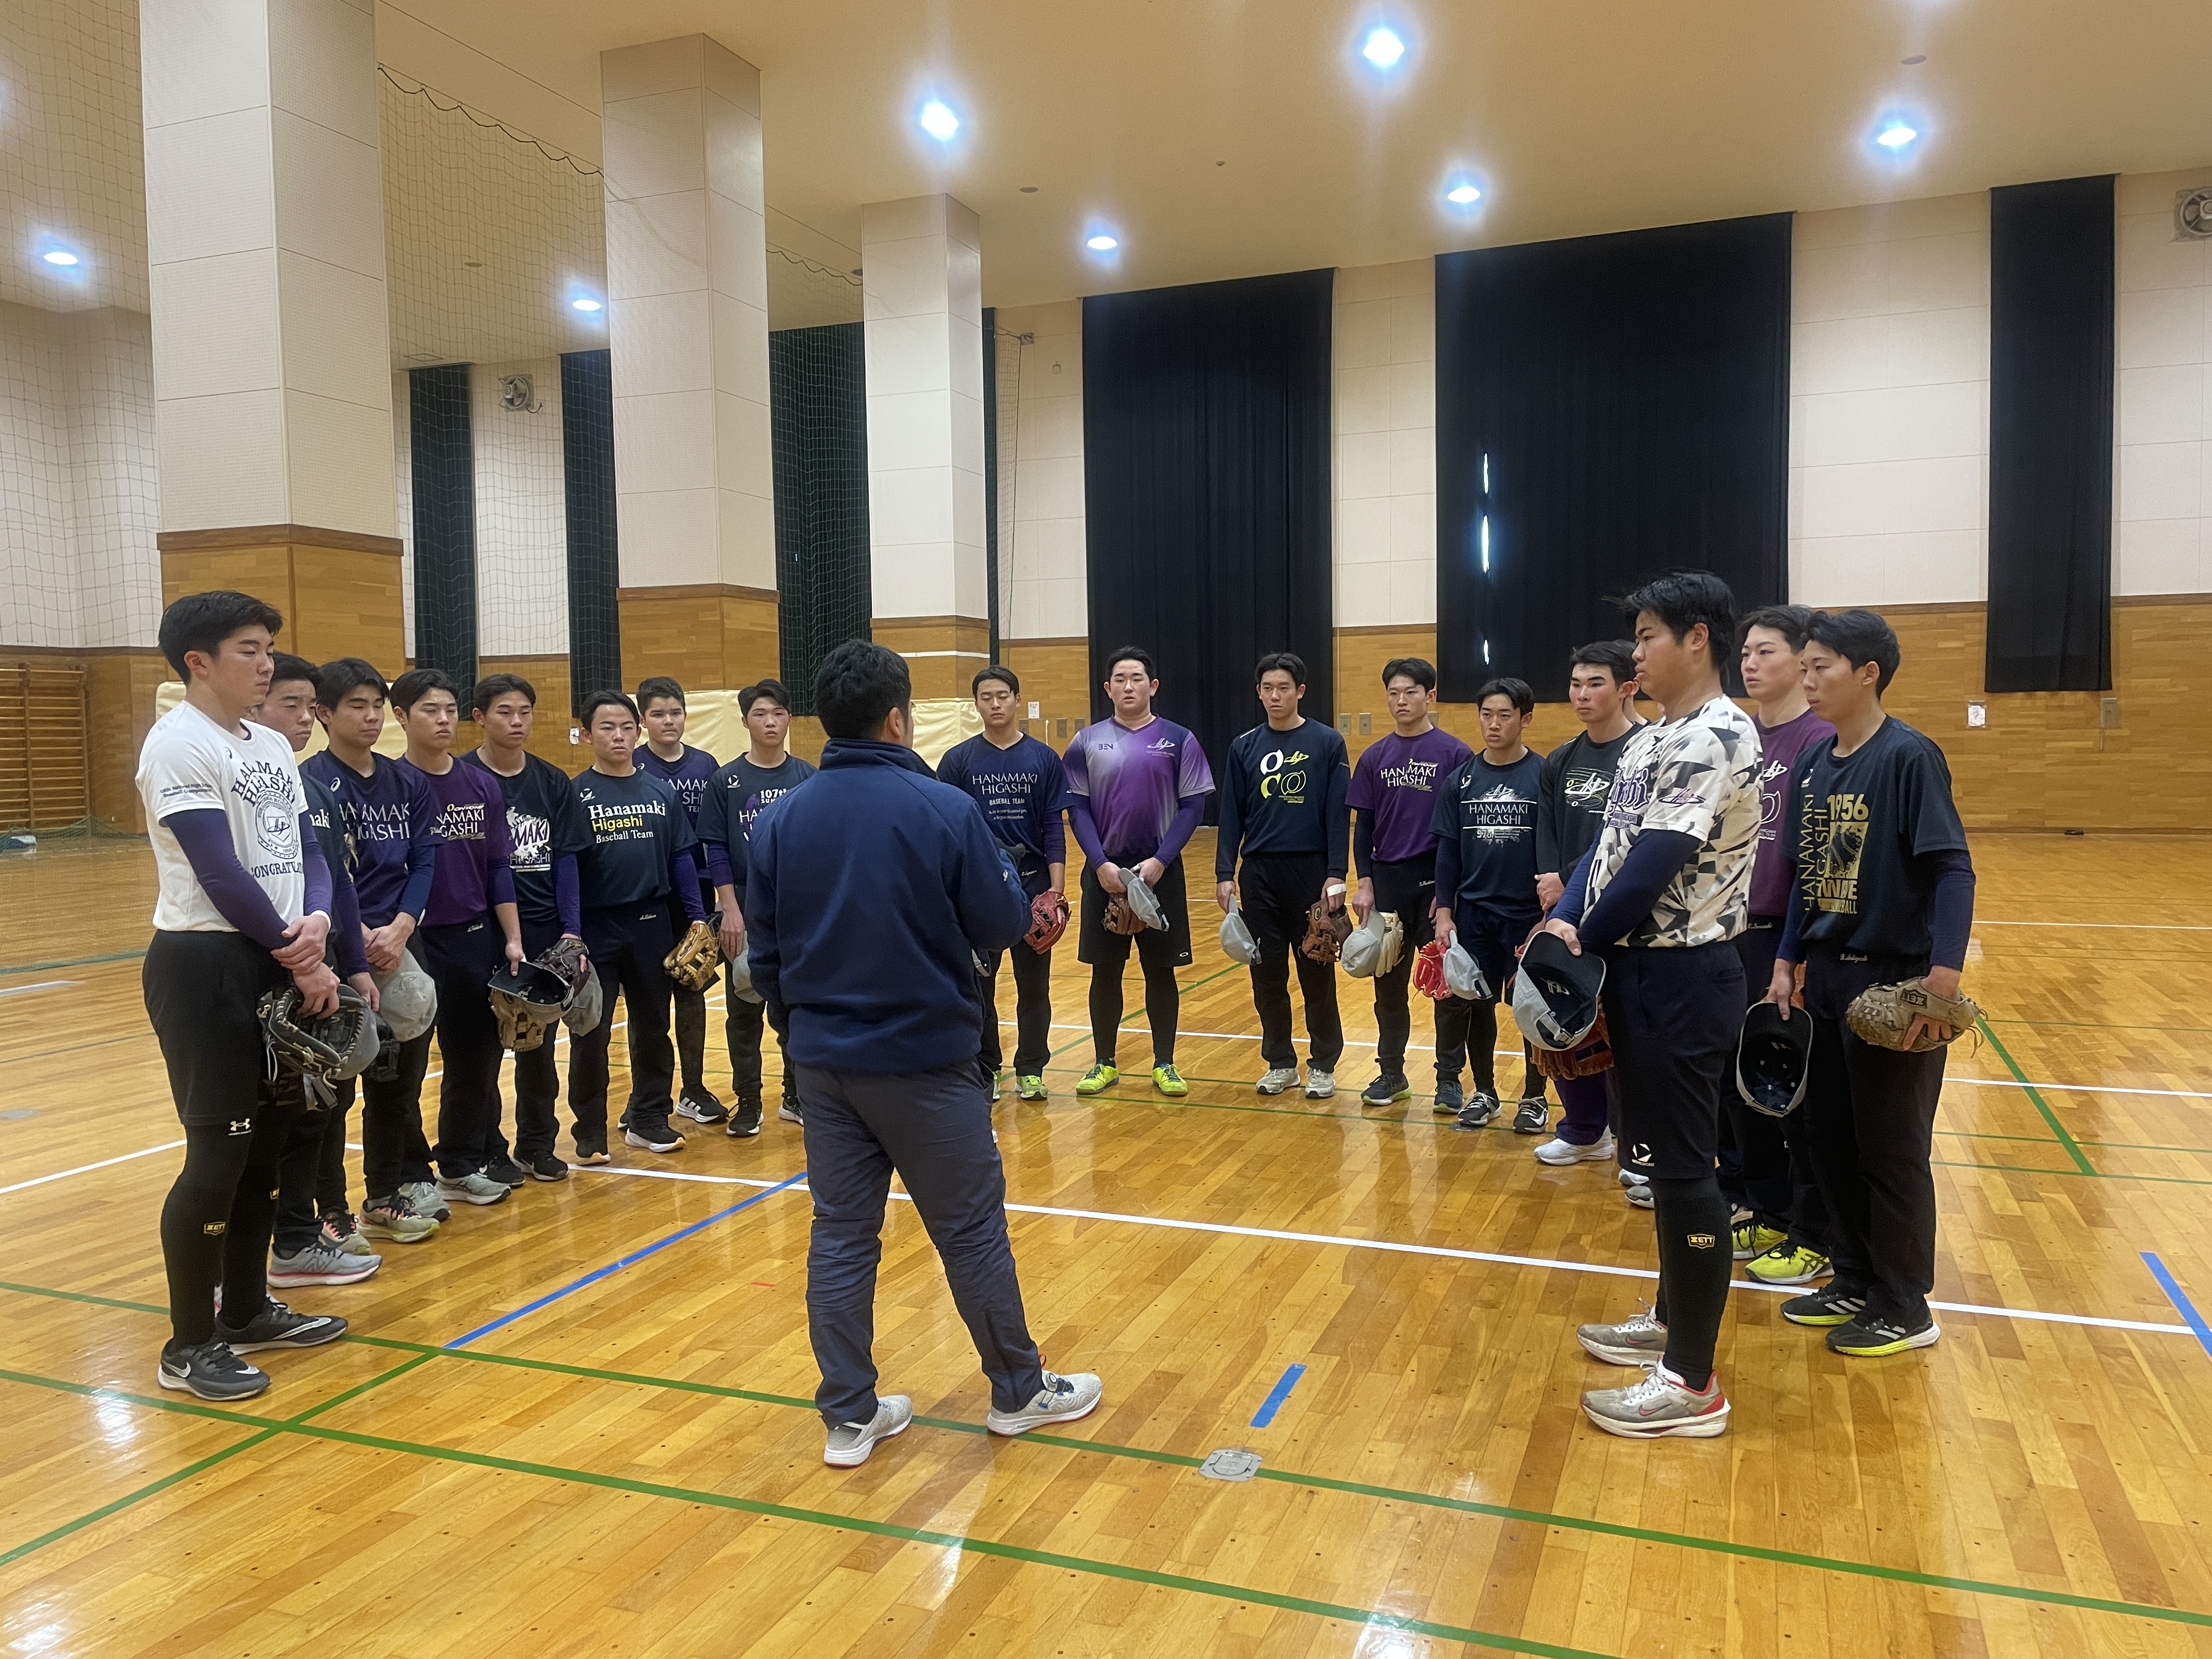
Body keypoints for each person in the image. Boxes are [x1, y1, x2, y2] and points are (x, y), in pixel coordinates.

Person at [748, 640, 1102, 1466]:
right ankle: (1017, 1390)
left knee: (840, 1235)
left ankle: (849, 1416)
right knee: (972, 1231)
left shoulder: (782, 818)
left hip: (824, 1066)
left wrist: (799, 1041)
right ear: (898, 716)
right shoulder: (943, 808)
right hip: (923, 1065)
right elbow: (999, 923)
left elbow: (763, 956)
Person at [1546, 571, 1762, 1440]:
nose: (1635, 654)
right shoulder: (1648, 742)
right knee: (1658, 1166)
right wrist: (1561, 924)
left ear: (1697, 638)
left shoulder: (1717, 732)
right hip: (1636, 975)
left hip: (1685, 977)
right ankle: (1673, 1321)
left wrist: (1584, 941)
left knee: (1682, 1172)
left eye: (1647, 638)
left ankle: (1692, 1384)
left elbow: (1658, 860)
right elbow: (1608, 847)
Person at [138, 591, 349, 1401]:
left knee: (269, 1145)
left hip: (280, 952)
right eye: (250, 651)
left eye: (269, 650)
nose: (267, 665)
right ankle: (190, 1343)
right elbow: (217, 869)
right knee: (218, 1153)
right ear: (199, 662)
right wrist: (297, 956)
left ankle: (250, 1309)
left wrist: (319, 920)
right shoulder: (178, 745)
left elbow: (306, 847)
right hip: (208, 968)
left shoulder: (266, 742)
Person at [1765, 609, 1976, 1357]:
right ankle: (1852, 1276)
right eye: (1807, 665)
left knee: (1889, 1150)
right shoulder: (1818, 764)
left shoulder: (1909, 757)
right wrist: (1787, 960)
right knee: (1827, 1139)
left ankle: (1905, 1305)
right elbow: (1805, 878)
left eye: (1821, 666)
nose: (1808, 678)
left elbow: (1952, 867)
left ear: (1867, 674)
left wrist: (1943, 975)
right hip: (1823, 981)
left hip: (1892, 981)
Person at [250, 653, 383, 1288]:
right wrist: (301, 960)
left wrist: (354, 967)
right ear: (254, 704)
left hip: (324, 976)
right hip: (276, 970)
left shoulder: (319, 793)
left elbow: (342, 890)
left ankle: (300, 1239)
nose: (305, 719)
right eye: (291, 706)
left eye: (310, 707)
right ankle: (249, 1256)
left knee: (321, 1113)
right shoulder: (246, 788)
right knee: (262, 1123)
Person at [302, 659, 443, 1245]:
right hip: (340, 950)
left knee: (398, 1082)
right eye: (355, 705)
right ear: (323, 714)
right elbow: (324, 872)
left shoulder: (406, 781)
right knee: (335, 1094)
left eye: (375, 705)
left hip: (399, 947)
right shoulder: (309, 783)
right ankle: (330, 1210)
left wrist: (404, 927)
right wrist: (358, 938)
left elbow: (425, 860)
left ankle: (386, 1194)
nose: (369, 716)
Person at [1731, 607, 1838, 1285]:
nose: (1749, 663)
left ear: (1801, 663)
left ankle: (1812, 1228)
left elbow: (1811, 861)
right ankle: (1765, 1205)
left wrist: (1792, 955)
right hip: (1733, 931)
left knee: (1798, 1096)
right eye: (1744, 651)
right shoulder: (1739, 737)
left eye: (1764, 651)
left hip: (1786, 936)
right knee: (1743, 1085)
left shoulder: (1819, 740)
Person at [391, 669, 524, 1205]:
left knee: (476, 1059)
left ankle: (460, 1163)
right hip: (414, 943)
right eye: (429, 710)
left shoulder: (480, 784)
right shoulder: (391, 785)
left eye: (449, 709)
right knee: (406, 1065)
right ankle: (410, 1173)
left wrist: (511, 937)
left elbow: (498, 867)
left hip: (475, 936)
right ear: (401, 716)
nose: (443, 719)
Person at [1063, 647, 1214, 1099]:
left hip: (1159, 872)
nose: (1129, 686)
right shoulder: (1086, 742)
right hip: (1105, 874)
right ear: (1107, 689)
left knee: (1161, 971)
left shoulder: (1179, 739)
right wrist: (1099, 863)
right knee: (1104, 973)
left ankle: (1165, 1063)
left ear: (1153, 686)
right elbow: (1077, 808)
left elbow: (1193, 807)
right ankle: (1103, 1062)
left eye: (1137, 678)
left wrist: (1160, 861)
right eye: (1120, 679)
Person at [462, 673, 594, 1181]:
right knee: (484, 1049)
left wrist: (572, 929)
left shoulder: (552, 781)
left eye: (524, 712)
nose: (517, 722)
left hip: (542, 929)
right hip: (481, 930)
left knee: (537, 1045)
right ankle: (488, 1147)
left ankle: (537, 1143)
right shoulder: (465, 779)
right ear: (479, 718)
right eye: (504, 712)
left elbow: (566, 862)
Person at [570, 689, 707, 1158]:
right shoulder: (575, 793)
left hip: (651, 922)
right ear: (587, 733)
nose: (619, 736)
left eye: (627, 727)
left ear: (638, 731)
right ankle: (588, 1129)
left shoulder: (659, 790)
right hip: (596, 927)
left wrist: (695, 920)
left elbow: (682, 859)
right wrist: (570, 931)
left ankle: (649, 1117)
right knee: (593, 1030)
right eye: (607, 727)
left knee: (653, 1027)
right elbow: (566, 867)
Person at [1214, 652, 1350, 1099]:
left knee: (1317, 969)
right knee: (1266, 973)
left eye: (1284, 688)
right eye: (1268, 688)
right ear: (1259, 692)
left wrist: (1336, 873)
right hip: (1260, 874)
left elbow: (1336, 814)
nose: (1276, 696)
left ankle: (1324, 1064)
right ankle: (1281, 1062)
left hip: (1311, 872)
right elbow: (1230, 814)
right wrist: (1224, 872)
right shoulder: (1243, 746)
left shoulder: (1327, 743)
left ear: (1301, 692)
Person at [1530, 641, 1642, 1172]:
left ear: (1628, 687)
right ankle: (1582, 1130)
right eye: (1575, 684)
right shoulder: (1562, 758)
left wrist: (1569, 880)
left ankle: (1633, 1141)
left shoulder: (1650, 750)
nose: (1581, 694)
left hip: (1628, 912)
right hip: (1565, 911)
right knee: (1571, 1021)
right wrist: (1553, 884)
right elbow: (1547, 832)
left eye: (1595, 683)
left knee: (1628, 1031)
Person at [936, 665, 1070, 1104]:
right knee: (980, 986)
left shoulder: (1044, 759)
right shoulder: (958, 761)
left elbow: (1054, 827)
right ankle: (986, 1066)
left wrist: (1056, 890)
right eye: (986, 697)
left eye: (1002, 696)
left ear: (1016, 699)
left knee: (1035, 985)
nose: (995, 704)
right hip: (979, 884)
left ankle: (1031, 1068)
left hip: (1031, 883)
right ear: (976, 704)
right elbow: (948, 830)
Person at [1347, 658, 1474, 1108]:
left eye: (1411, 692)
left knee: (1447, 985)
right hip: (1388, 882)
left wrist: (1448, 894)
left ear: (1430, 696)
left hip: (1436, 882)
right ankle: (1392, 1074)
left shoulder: (1455, 754)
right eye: (1394, 693)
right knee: (1388, 987)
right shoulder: (1375, 756)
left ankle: (1449, 1080)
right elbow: (1363, 827)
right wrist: (1364, 881)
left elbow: (1459, 832)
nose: (1402, 701)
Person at [699, 678, 816, 1137]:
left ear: (790, 719)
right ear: (745, 720)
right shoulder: (725, 781)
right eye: (761, 714)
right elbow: (716, 850)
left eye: (779, 714)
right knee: (743, 1007)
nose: (771, 722)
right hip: (745, 909)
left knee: (798, 1007)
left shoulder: (807, 776)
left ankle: (795, 1094)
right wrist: (729, 909)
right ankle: (748, 1101)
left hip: (797, 910)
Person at [1430, 678, 1547, 1129]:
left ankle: (1535, 1097)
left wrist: (1550, 916)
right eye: (1487, 715)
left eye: (1504, 716)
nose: (1494, 724)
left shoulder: (1543, 775)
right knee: (1475, 1005)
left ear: (1525, 719)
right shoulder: (1460, 780)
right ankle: (1484, 1092)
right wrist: (1444, 910)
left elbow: (1551, 851)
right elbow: (1448, 852)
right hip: (1474, 914)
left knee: (1532, 1009)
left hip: (1528, 917)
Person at [635, 676, 726, 1127]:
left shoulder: (706, 765)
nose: (668, 721)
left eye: (675, 712)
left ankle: (693, 1089)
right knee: (647, 1001)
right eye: (657, 713)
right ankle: (644, 1099)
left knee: (693, 989)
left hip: (697, 894)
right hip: (649, 895)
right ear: (642, 720)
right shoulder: (632, 765)